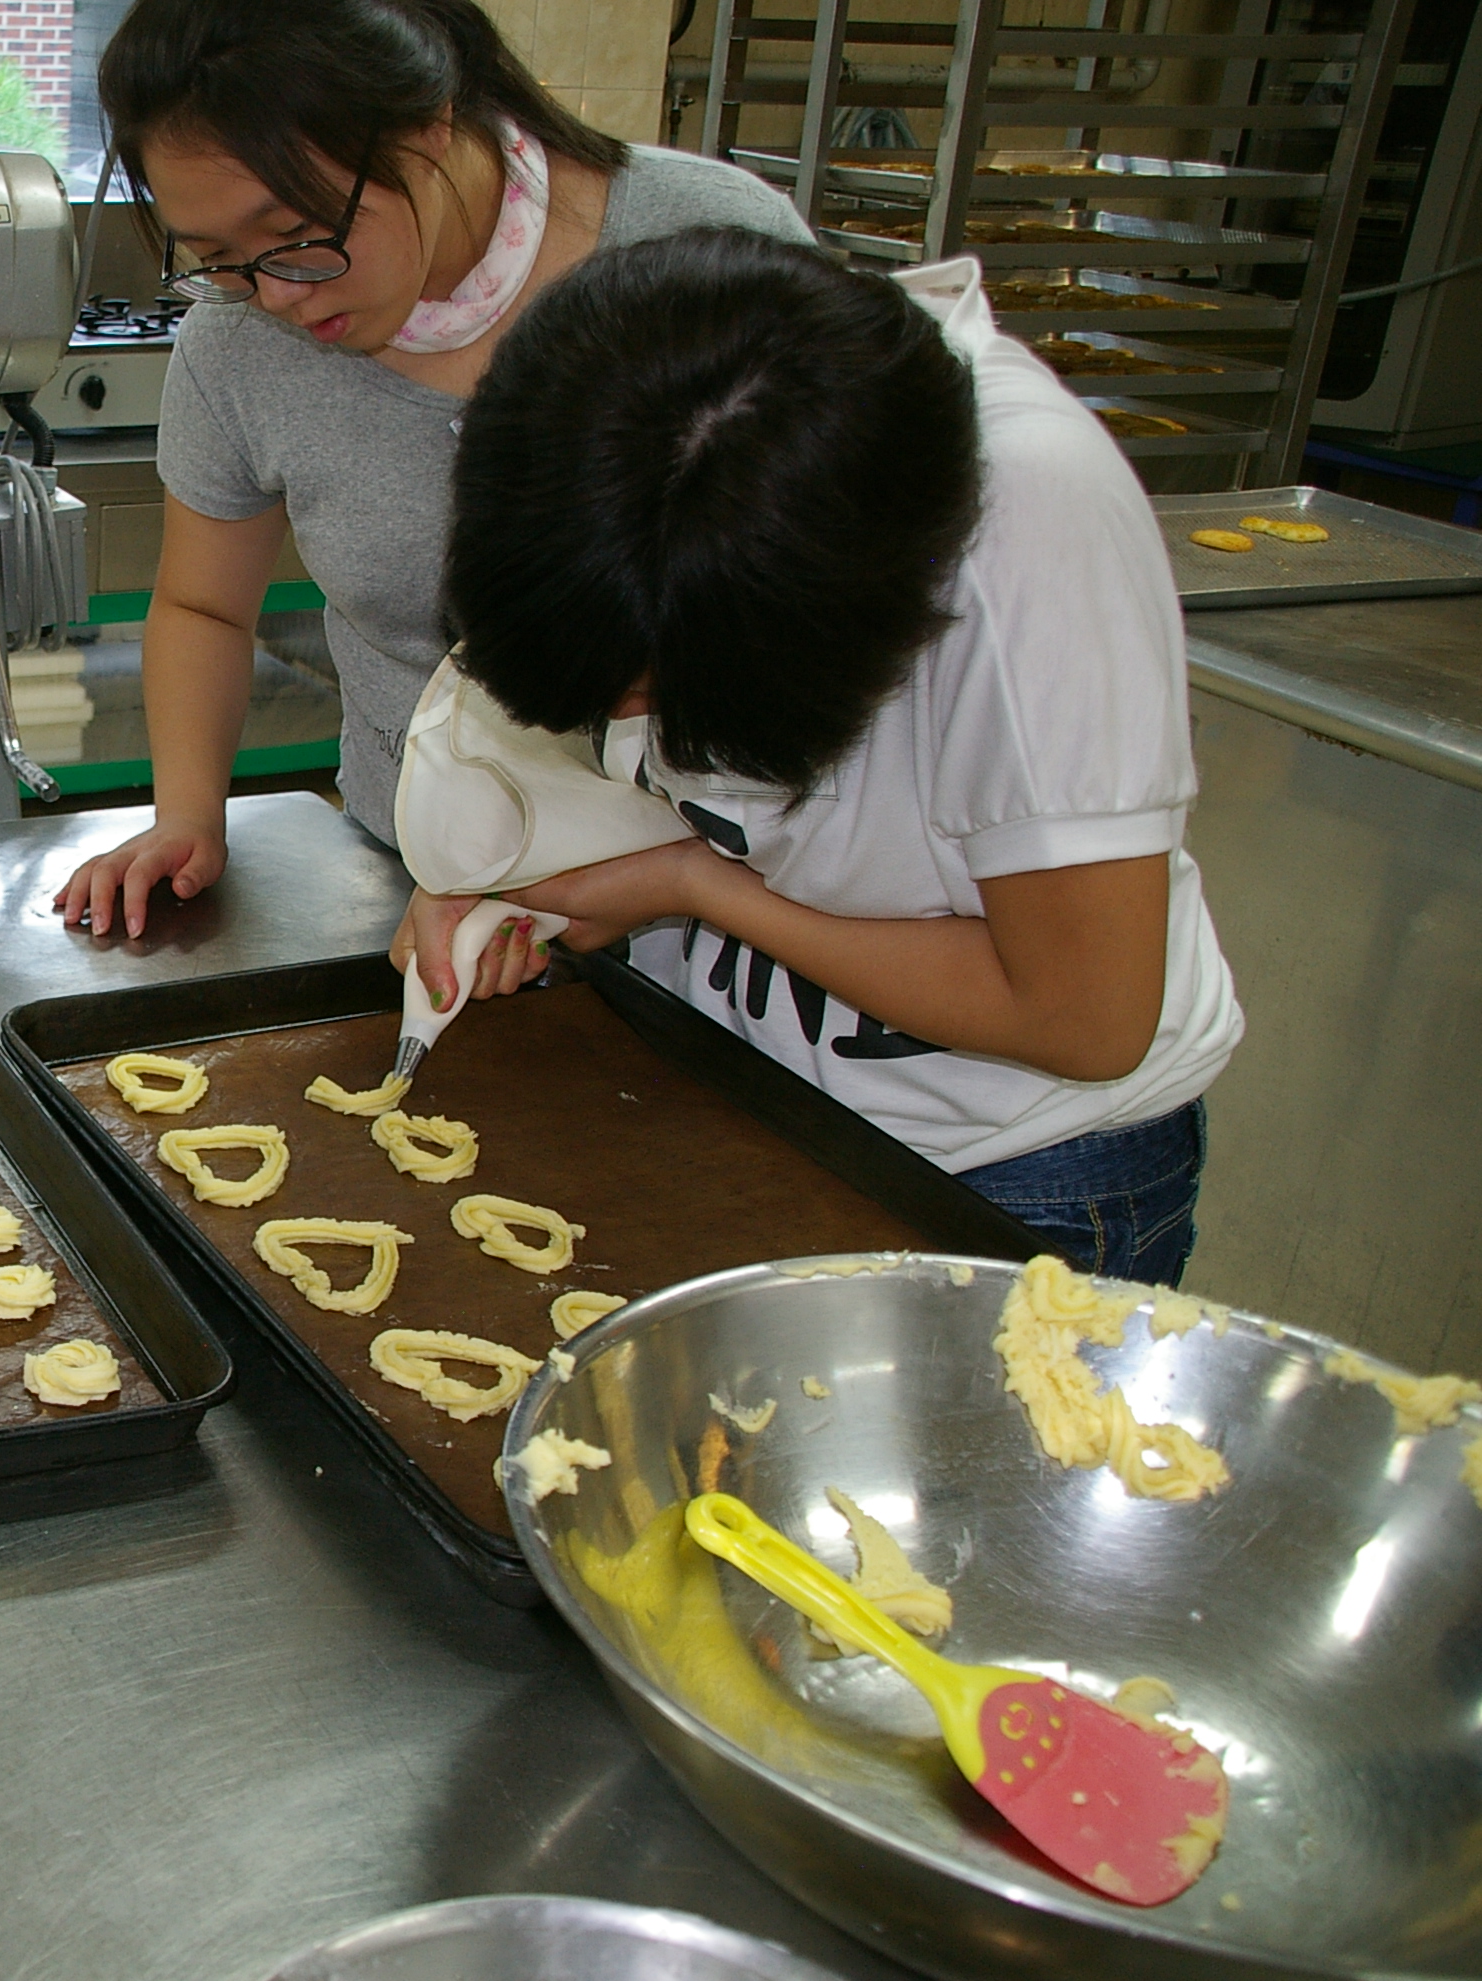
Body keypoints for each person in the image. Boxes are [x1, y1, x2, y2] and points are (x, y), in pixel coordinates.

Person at [406, 229, 1242, 1282]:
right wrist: (496, 866)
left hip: (997, 1171)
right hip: (740, 1090)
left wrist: (687, 884)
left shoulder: (1026, 546)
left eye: (658, 690)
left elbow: (1081, 1015)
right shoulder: (639, 405)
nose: (640, 720)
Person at [54, 0, 814, 939]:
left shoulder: (710, 242)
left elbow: (812, 600)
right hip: (418, 871)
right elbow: (204, 606)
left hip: (715, 884)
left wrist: (676, 880)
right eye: (220, 259)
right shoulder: (237, 342)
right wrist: (186, 818)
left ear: (431, 124)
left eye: (296, 231)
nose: (279, 294)